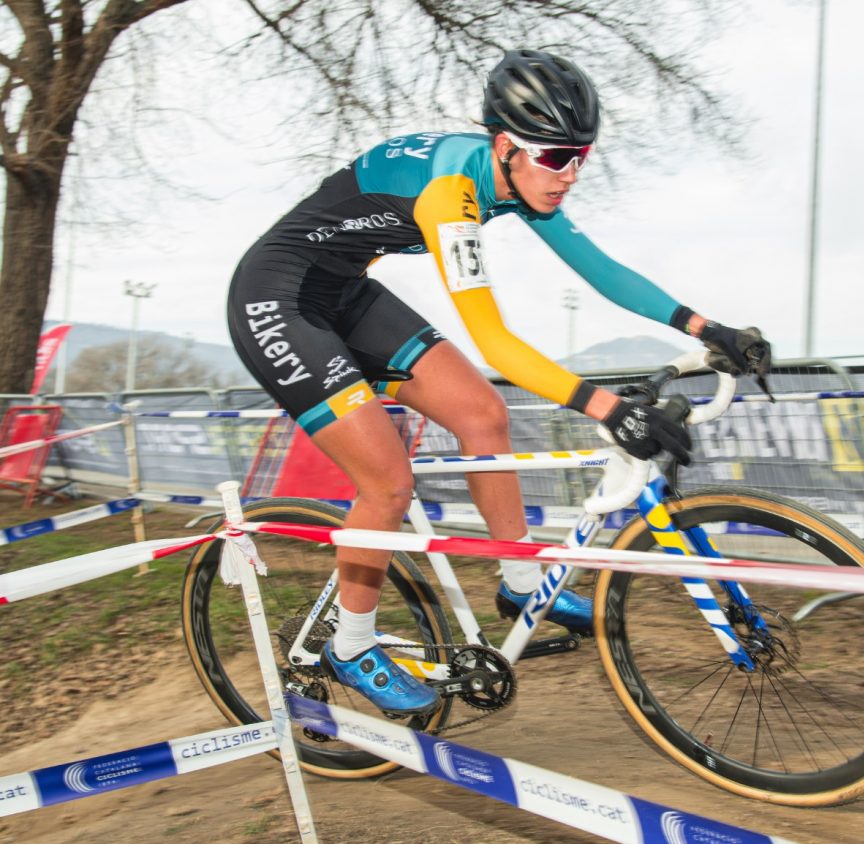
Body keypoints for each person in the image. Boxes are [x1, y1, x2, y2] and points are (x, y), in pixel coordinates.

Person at [227, 48, 772, 716]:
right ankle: (352, 644)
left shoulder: (517, 181)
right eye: (555, 157)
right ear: (506, 146)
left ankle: (520, 582)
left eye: (580, 157)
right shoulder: (451, 193)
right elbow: (495, 343)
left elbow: (601, 271)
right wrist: (608, 408)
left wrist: (705, 326)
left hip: (344, 295)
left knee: (483, 415)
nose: (569, 174)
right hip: (275, 301)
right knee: (388, 482)